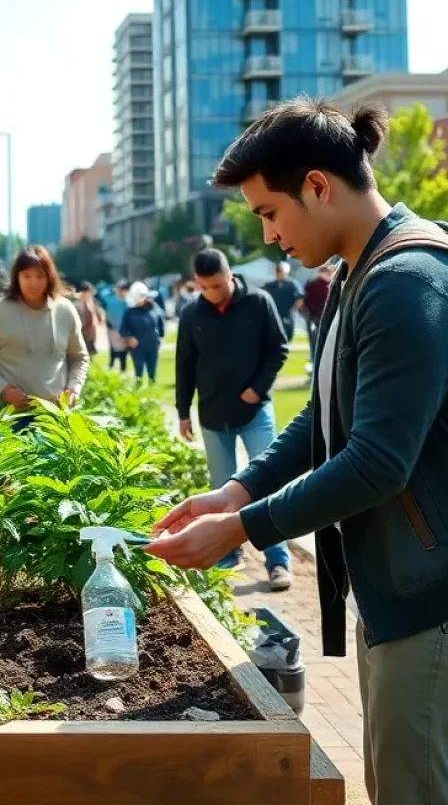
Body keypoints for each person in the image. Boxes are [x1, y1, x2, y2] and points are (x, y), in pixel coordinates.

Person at [147, 96, 448, 805]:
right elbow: (324, 414)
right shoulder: (356, 271)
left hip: (429, 595)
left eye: (268, 213)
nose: (270, 236)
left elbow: (376, 461)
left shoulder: (405, 282)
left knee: (413, 789)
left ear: (317, 185)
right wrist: (236, 492)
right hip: (394, 588)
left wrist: (243, 529)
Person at [176, 248, 292, 591]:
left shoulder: (259, 302)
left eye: (217, 285)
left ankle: (278, 561)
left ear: (230, 276)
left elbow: (279, 348)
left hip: (256, 413)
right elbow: (184, 365)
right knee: (221, 488)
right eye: (204, 287)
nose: (211, 293)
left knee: (266, 486)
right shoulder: (192, 313)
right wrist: (183, 412)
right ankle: (228, 553)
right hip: (213, 416)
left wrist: (257, 389)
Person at [0, 245, 89, 418]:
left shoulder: (64, 310)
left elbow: (79, 357)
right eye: (27, 276)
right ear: (16, 277)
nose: (33, 283)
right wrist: (4, 390)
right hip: (12, 415)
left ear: (49, 277)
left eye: (40, 276)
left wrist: (74, 387)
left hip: (56, 416)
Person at [119, 281, 166, 384]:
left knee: (152, 371)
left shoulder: (154, 308)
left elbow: (161, 323)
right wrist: (129, 338)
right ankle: (139, 388)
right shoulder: (129, 312)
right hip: (137, 347)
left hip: (152, 344)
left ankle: (152, 388)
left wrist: (160, 337)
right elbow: (123, 329)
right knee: (139, 371)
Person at [302, 262, 334, 368]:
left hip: (327, 318)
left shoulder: (332, 284)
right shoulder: (313, 284)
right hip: (315, 318)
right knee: (315, 346)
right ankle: (315, 368)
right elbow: (306, 303)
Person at [263, 260, 303, 344]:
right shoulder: (270, 285)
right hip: (273, 315)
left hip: (287, 314)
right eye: (278, 271)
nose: (279, 273)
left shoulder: (292, 284)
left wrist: (294, 310)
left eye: (281, 271)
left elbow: (299, 298)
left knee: (287, 336)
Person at [101, 279, 132, 372]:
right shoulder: (111, 301)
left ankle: (123, 368)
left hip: (124, 330)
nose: (121, 292)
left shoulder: (128, 302)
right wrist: (111, 325)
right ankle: (112, 364)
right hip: (113, 329)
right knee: (114, 348)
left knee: (124, 350)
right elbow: (107, 314)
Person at [75, 281, 106, 357]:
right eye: (89, 292)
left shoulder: (92, 303)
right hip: (81, 333)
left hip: (90, 333)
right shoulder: (77, 304)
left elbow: (98, 315)